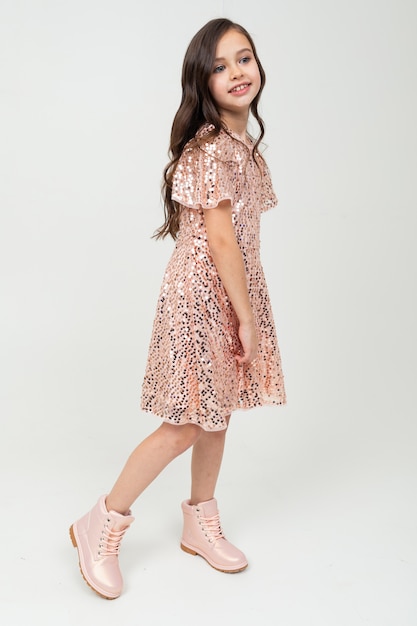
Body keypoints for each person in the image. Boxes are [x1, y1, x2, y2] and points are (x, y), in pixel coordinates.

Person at [69, 17, 286, 600]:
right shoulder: (210, 148)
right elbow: (219, 239)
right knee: (186, 422)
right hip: (201, 297)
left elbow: (244, 238)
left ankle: (199, 517)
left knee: (218, 411)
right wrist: (246, 314)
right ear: (201, 82)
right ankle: (103, 522)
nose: (237, 72)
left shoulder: (245, 148)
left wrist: (245, 306)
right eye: (220, 66)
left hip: (232, 290)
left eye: (244, 58)